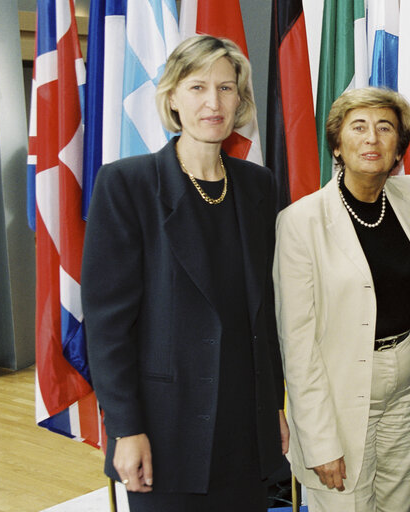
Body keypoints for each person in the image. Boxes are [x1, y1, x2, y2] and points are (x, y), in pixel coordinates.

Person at [82, 35, 288, 511]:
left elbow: (266, 312)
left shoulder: (259, 187)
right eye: (196, 88)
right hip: (164, 431)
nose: (213, 102)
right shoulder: (127, 185)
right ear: (172, 97)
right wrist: (125, 428)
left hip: (245, 426)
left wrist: (272, 405)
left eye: (226, 88)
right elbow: (108, 325)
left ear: (240, 99)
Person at [273, 87, 410, 512]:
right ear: (337, 143)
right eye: (359, 127)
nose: (372, 139)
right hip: (340, 390)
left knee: (402, 505)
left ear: (399, 147)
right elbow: (297, 343)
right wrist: (319, 438)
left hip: (408, 383)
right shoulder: (300, 222)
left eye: (385, 128)